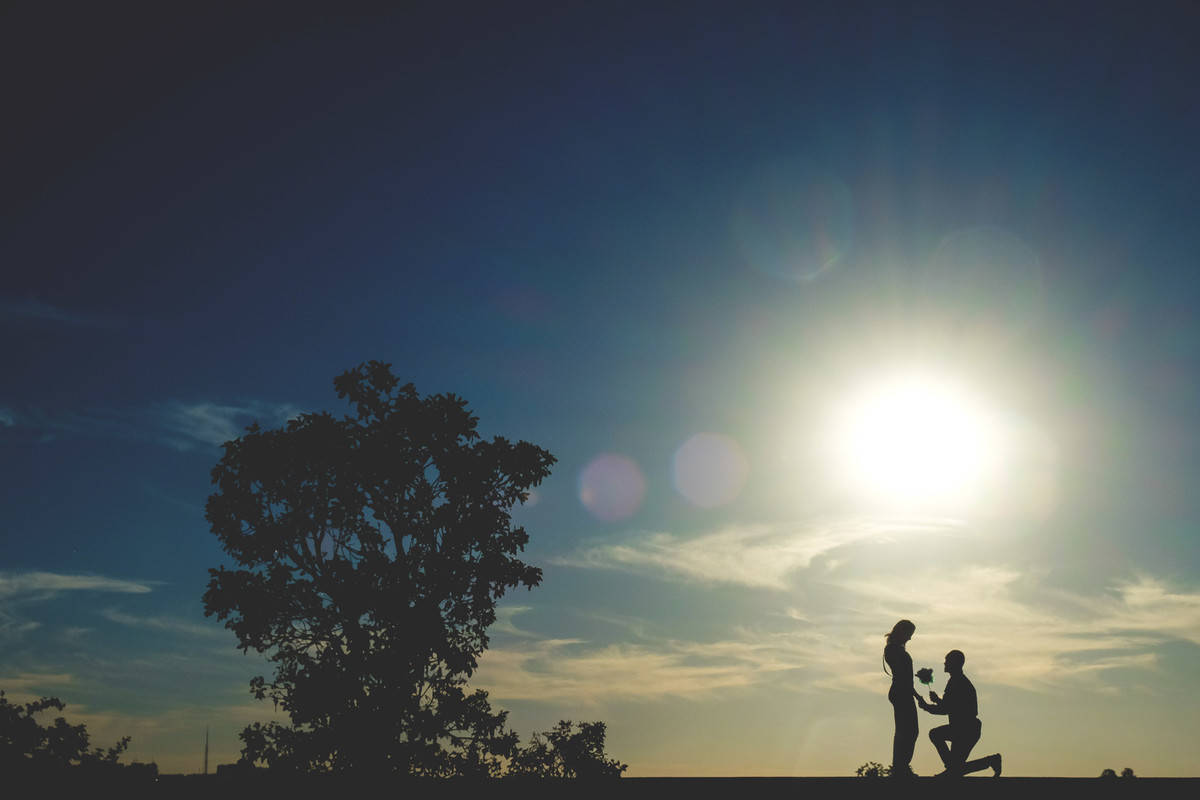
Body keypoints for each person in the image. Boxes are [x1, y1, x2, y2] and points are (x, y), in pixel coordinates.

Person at [918, 650, 1002, 777]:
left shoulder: (956, 682)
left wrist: (926, 706)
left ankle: (954, 768)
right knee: (956, 770)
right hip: (966, 729)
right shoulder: (958, 681)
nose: (944, 663)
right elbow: (952, 707)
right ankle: (991, 761)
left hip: (964, 730)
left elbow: (945, 710)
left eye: (947, 661)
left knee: (935, 734)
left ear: (954, 663)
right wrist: (937, 701)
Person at [883, 619, 920, 776]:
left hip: (903, 691)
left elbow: (904, 675)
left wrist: (916, 693)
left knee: (908, 730)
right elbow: (901, 675)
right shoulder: (892, 649)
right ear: (901, 632)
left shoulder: (895, 649)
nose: (910, 638)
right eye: (909, 634)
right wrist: (915, 694)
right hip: (900, 692)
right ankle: (900, 766)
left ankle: (901, 766)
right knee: (906, 730)